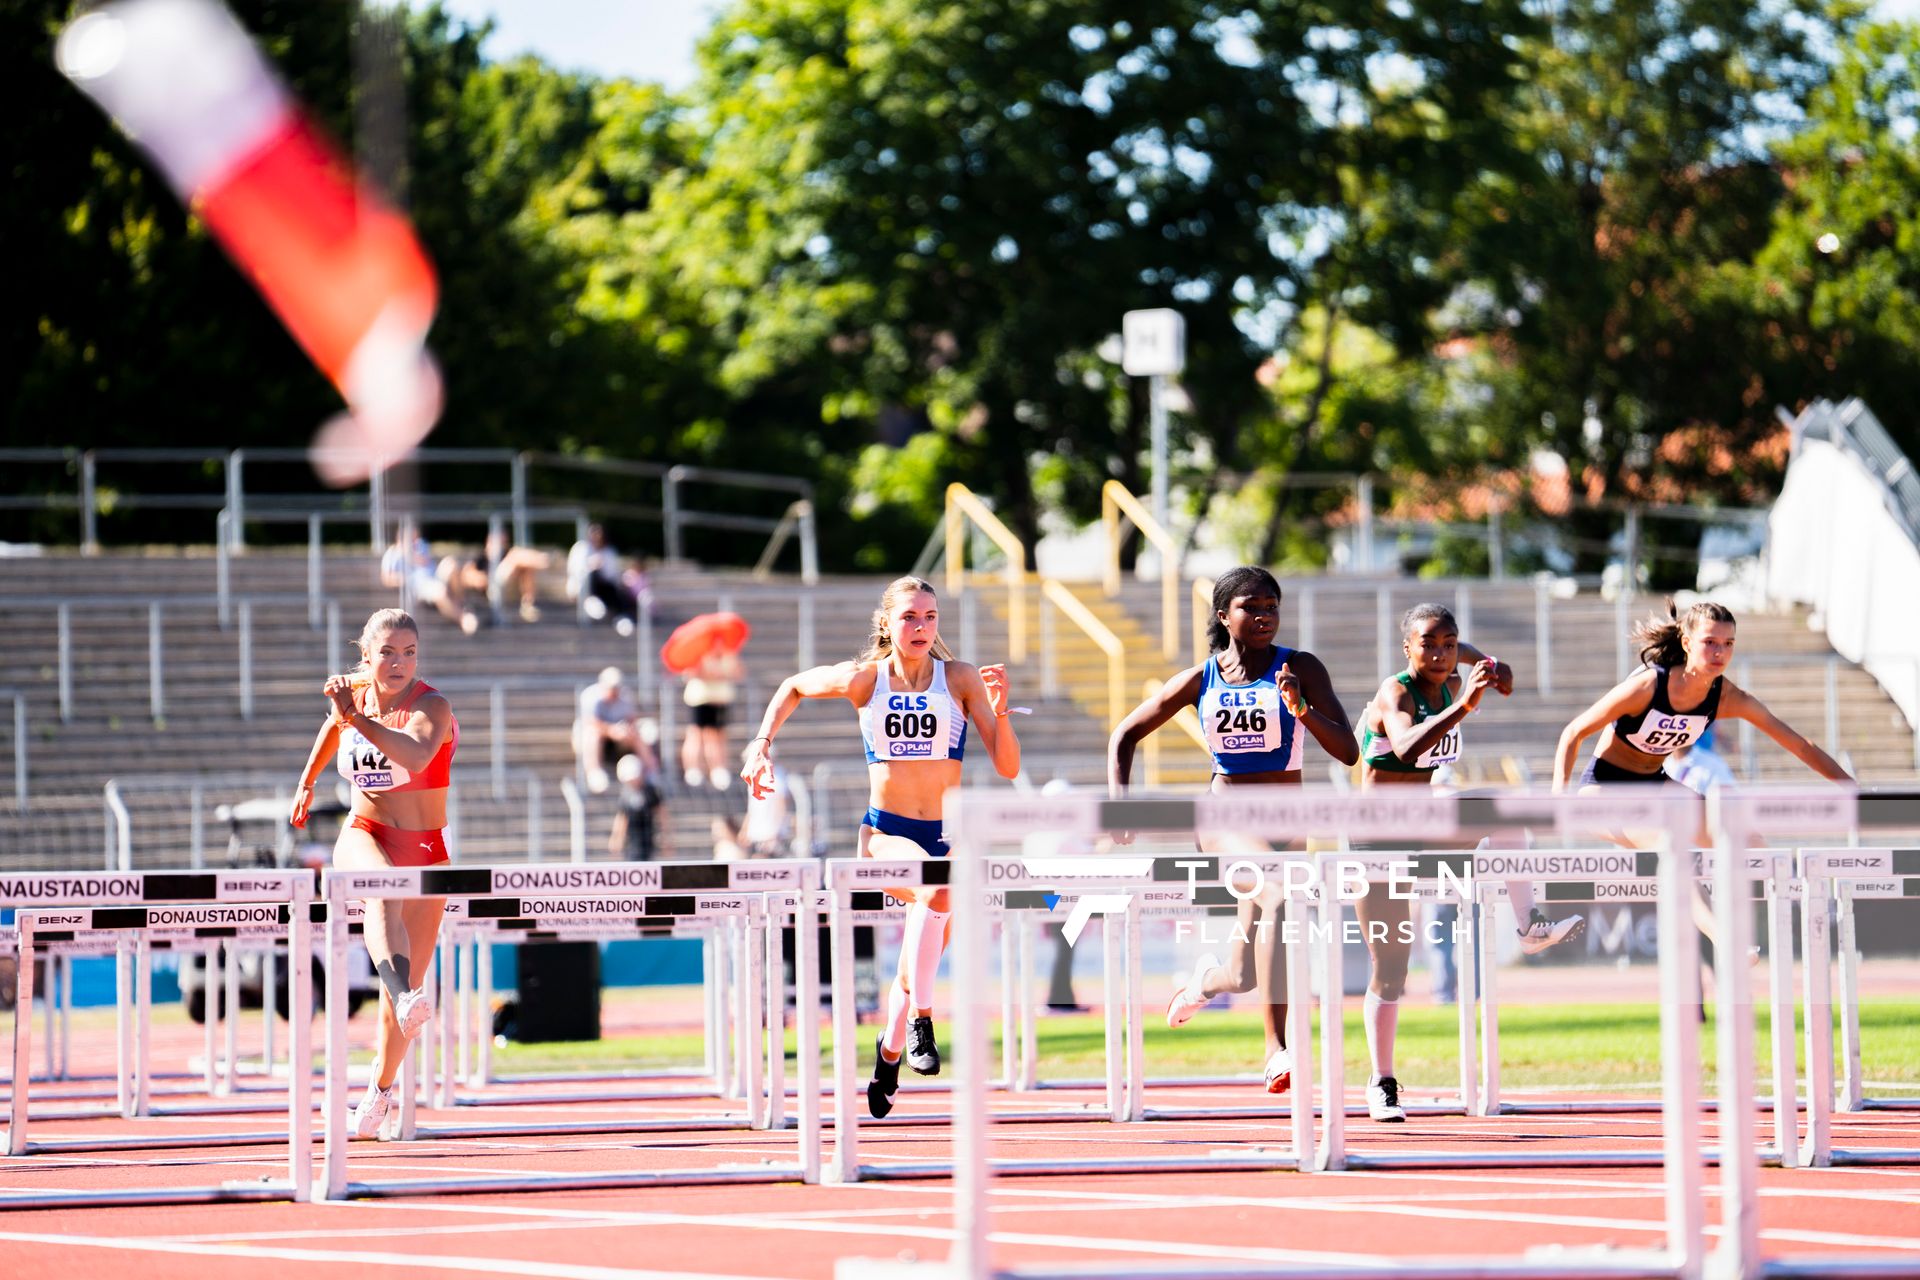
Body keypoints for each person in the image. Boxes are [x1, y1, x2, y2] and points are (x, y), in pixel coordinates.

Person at [741, 575, 1021, 1119]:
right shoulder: (865, 680)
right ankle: (923, 1022)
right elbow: (793, 687)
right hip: (886, 834)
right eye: (909, 618)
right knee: (933, 887)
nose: (921, 628)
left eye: (930, 618)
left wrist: (1001, 708)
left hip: (948, 834)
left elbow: (1008, 766)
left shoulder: (959, 678)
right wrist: (760, 746)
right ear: (886, 624)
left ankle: (889, 1055)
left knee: (916, 956)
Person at [1108, 566, 1358, 1098]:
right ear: (1224, 616)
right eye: (1252, 606)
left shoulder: (1301, 667)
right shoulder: (1204, 678)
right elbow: (1125, 734)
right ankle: (1276, 1051)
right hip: (1225, 817)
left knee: (1244, 974)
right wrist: (1120, 807)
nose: (1265, 615)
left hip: (1287, 822)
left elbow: (1349, 751)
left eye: (1272, 606)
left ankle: (1203, 983)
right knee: (1279, 893)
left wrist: (1302, 709)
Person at [1553, 599, 1850, 989]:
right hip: (1604, 791)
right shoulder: (1648, 685)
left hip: (1656, 787)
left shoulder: (1725, 697)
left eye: (1728, 644)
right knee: (1669, 843)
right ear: (1687, 641)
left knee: (1749, 838)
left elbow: (1799, 744)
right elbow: (1573, 732)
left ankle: (1791, 917)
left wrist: (1852, 791)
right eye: (1710, 642)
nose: (1720, 653)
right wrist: (1557, 801)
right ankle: (1725, 940)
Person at [1356, 603, 1574, 1122]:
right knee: (1391, 970)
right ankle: (1381, 1082)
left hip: (1429, 826)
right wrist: (1466, 705)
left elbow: (1490, 666)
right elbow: (1407, 748)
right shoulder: (1397, 692)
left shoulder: (1456, 670)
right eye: (1427, 644)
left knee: (1507, 814)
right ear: (1406, 647)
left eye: (1448, 644)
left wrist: (1497, 670)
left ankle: (1529, 925)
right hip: (1377, 839)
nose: (1439, 653)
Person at [289, 608, 457, 1140]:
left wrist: (355, 719)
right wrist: (307, 782)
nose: (399, 663)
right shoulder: (356, 695)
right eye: (387, 652)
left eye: (410, 652)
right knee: (380, 889)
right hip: (365, 832)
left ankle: (378, 1092)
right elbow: (330, 730)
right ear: (366, 655)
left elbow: (415, 750)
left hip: (427, 852)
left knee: (399, 1008)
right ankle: (405, 994)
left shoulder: (431, 705)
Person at [381, 532, 479, 635]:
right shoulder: (393, 554)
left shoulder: (420, 546)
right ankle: (463, 618)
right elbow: (387, 578)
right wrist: (404, 578)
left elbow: (425, 562)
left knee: (451, 563)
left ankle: (460, 603)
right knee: (440, 591)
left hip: (434, 577)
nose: (414, 539)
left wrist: (412, 554)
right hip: (419, 585)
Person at [682, 646, 744, 790]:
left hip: (721, 699)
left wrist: (724, 673)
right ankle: (693, 769)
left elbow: (738, 673)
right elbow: (689, 674)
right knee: (698, 734)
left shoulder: (729, 653)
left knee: (718, 736)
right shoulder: (698, 653)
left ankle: (718, 769)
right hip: (701, 698)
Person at [577, 666, 644, 794]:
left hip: (617, 737)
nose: (614, 691)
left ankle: (650, 771)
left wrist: (626, 730)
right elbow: (591, 723)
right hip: (595, 736)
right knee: (592, 735)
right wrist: (611, 730)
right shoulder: (590, 695)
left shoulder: (625, 696)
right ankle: (594, 771)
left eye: (616, 688)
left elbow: (632, 720)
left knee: (639, 734)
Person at [566, 523, 637, 636]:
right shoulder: (581, 549)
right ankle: (591, 601)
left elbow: (612, 576)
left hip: (604, 589)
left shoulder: (609, 551)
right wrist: (591, 565)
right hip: (583, 588)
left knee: (617, 593)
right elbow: (575, 571)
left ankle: (622, 618)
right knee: (593, 574)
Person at [607, 753, 667, 860]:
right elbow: (622, 818)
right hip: (631, 843)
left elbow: (662, 814)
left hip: (648, 839)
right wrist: (616, 838)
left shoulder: (650, 791)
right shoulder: (626, 794)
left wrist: (666, 836)